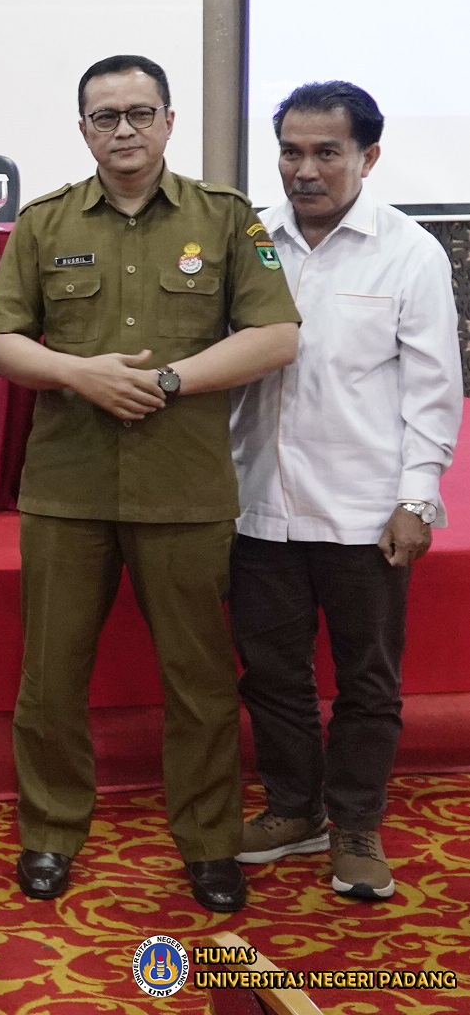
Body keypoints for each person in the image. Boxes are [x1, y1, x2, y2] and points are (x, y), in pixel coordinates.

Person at [0, 54, 300, 914]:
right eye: (103, 116)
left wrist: (167, 382)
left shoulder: (227, 220)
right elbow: (0, 341)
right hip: (65, 488)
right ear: (81, 128)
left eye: (138, 113)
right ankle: (48, 833)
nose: (122, 129)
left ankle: (207, 844)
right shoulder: (42, 223)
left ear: (167, 122)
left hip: (182, 489)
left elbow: (274, 335)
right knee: (49, 680)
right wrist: (78, 374)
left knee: (196, 682)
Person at [229, 81, 461, 901]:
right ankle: (295, 810)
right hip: (257, 503)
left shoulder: (408, 252)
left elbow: (433, 390)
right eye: (290, 150)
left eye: (326, 152)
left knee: (367, 681)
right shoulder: (248, 240)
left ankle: (356, 823)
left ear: (366, 156)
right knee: (270, 673)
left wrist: (415, 497)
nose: (304, 169)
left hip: (366, 511)